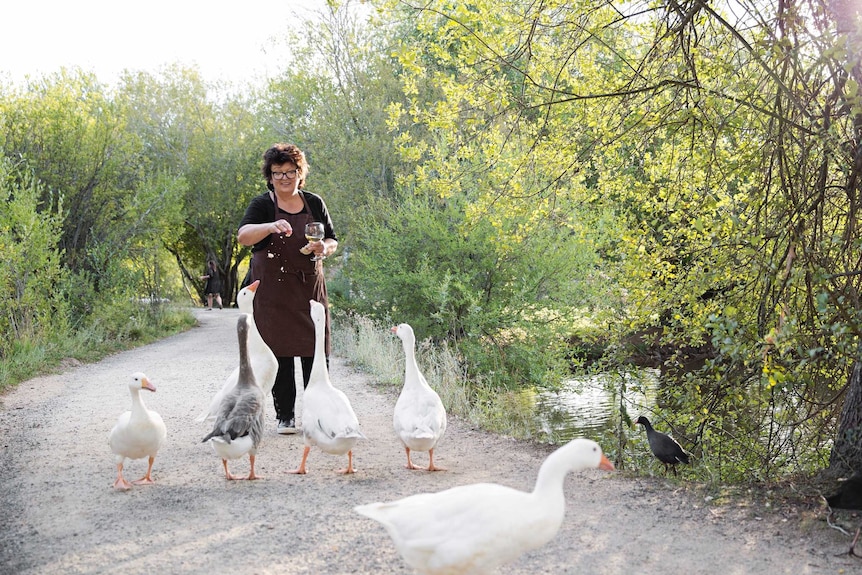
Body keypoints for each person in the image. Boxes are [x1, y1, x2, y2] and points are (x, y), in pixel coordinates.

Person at [237, 143, 338, 435]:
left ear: (300, 173)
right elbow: (244, 236)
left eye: (290, 171)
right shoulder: (262, 205)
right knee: (278, 352)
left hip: (309, 290)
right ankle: (285, 417)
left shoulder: (314, 203)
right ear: (269, 175)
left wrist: (324, 248)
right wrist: (269, 226)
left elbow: (332, 240)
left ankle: (318, 416)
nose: (284, 178)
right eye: (277, 172)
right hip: (272, 293)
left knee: (315, 351)